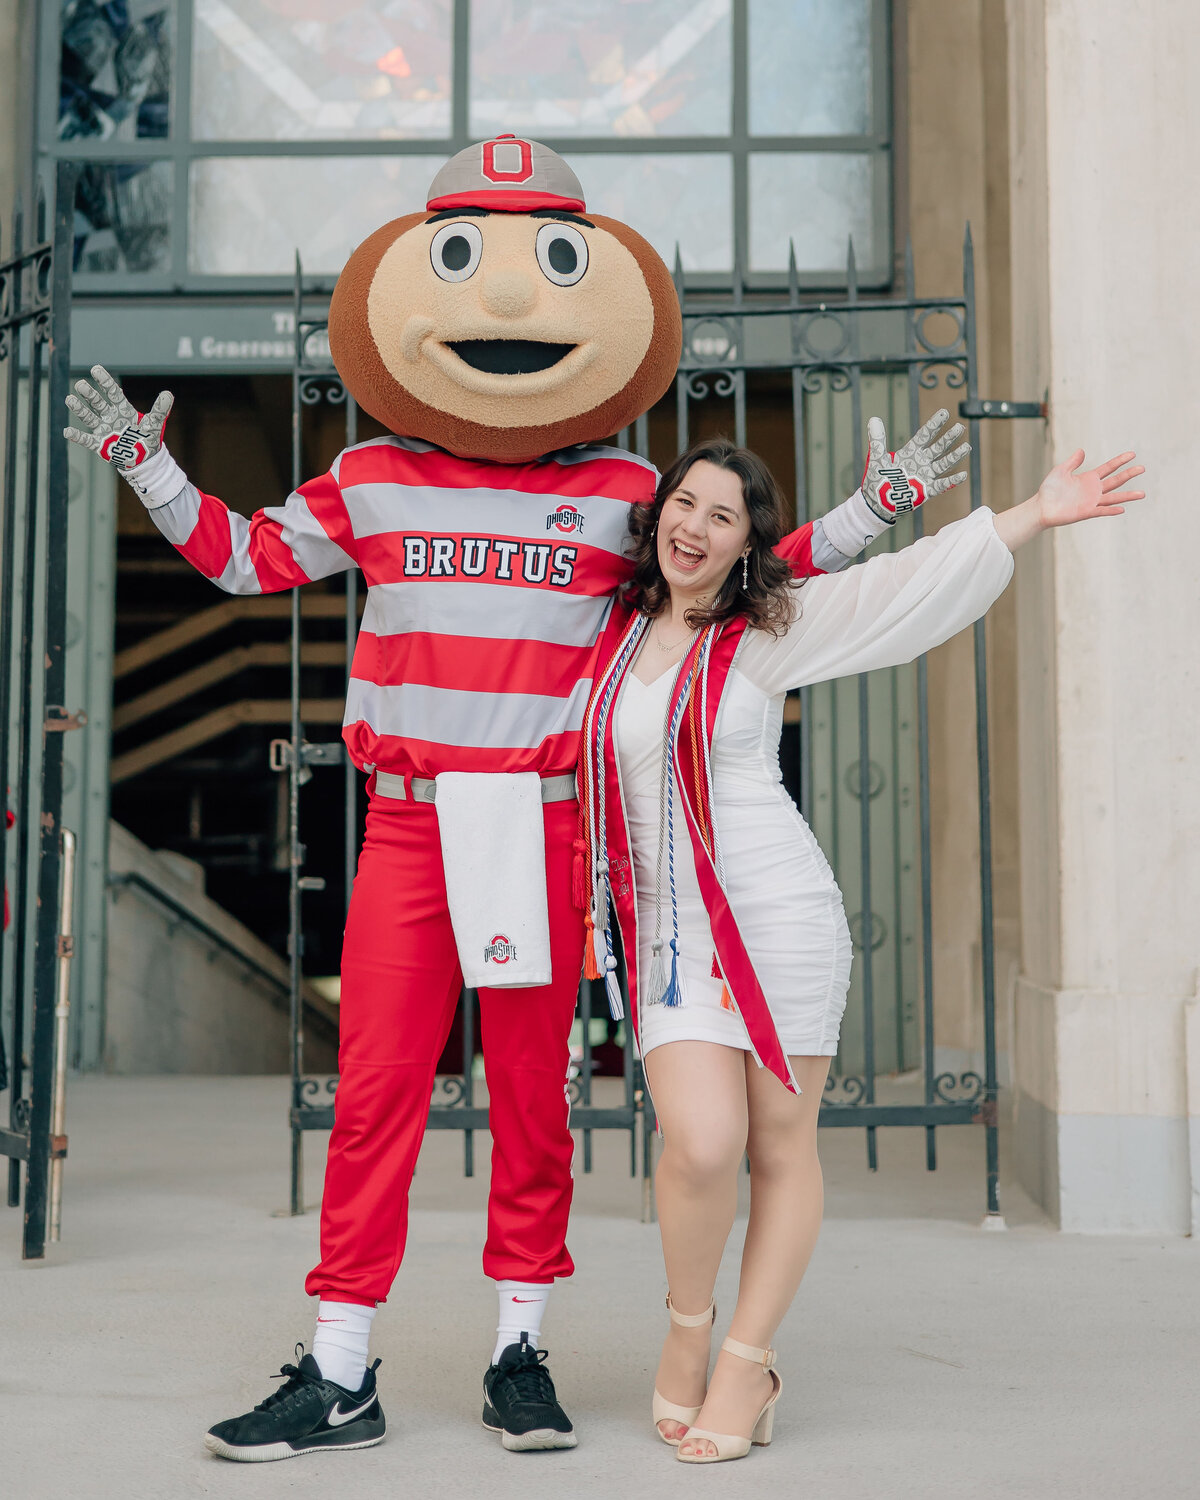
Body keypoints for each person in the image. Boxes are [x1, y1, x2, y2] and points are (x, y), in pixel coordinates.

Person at [60, 138, 960, 1462]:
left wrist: (873, 511)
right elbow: (250, 556)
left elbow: (742, 572)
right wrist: (153, 473)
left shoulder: (614, 499)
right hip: (415, 819)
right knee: (376, 1090)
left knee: (534, 1089)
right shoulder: (368, 476)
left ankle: (518, 1350)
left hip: (541, 822)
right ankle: (340, 1366)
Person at [577, 427, 1144, 1464]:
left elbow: (899, 584)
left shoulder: (769, 629)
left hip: (779, 919)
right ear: (657, 509)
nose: (694, 527)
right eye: (684, 503)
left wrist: (1034, 514)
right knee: (699, 1144)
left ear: (750, 546)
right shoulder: (608, 631)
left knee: (781, 1147)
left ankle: (746, 1364)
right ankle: (687, 1325)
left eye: (722, 516)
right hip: (668, 937)